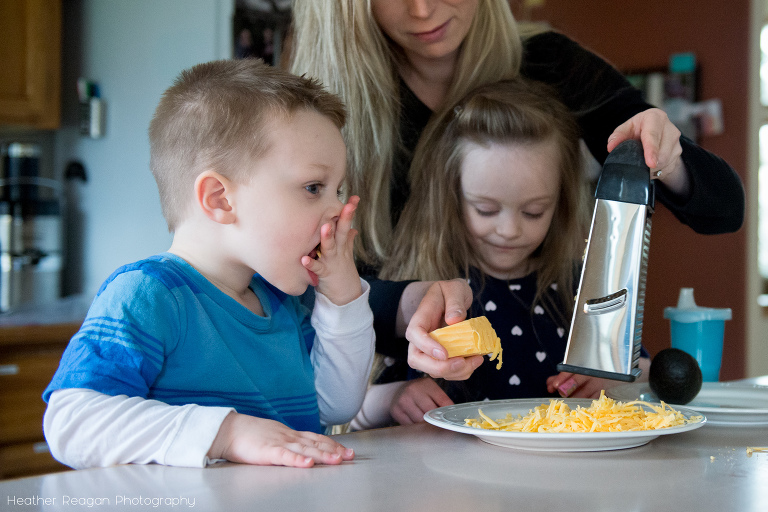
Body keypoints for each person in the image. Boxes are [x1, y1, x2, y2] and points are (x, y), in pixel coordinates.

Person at [288, 0, 745, 391]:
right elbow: (296, 281)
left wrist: (668, 155)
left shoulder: (550, 65)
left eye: (533, 211)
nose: (423, 10)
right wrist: (408, 311)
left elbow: (724, 209)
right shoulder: (325, 105)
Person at [42, 59, 375, 469]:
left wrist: (343, 295)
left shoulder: (282, 304)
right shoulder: (150, 295)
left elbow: (334, 406)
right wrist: (226, 433)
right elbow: (71, 422)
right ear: (219, 199)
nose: (339, 211)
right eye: (314, 188)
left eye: (338, 191)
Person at [352, 78, 652, 428]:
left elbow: (645, 371)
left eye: (534, 212)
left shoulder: (581, 288)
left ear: (562, 203)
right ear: (450, 196)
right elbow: (343, 411)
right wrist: (391, 400)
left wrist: (616, 380)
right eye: (486, 210)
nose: (509, 231)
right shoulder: (421, 293)